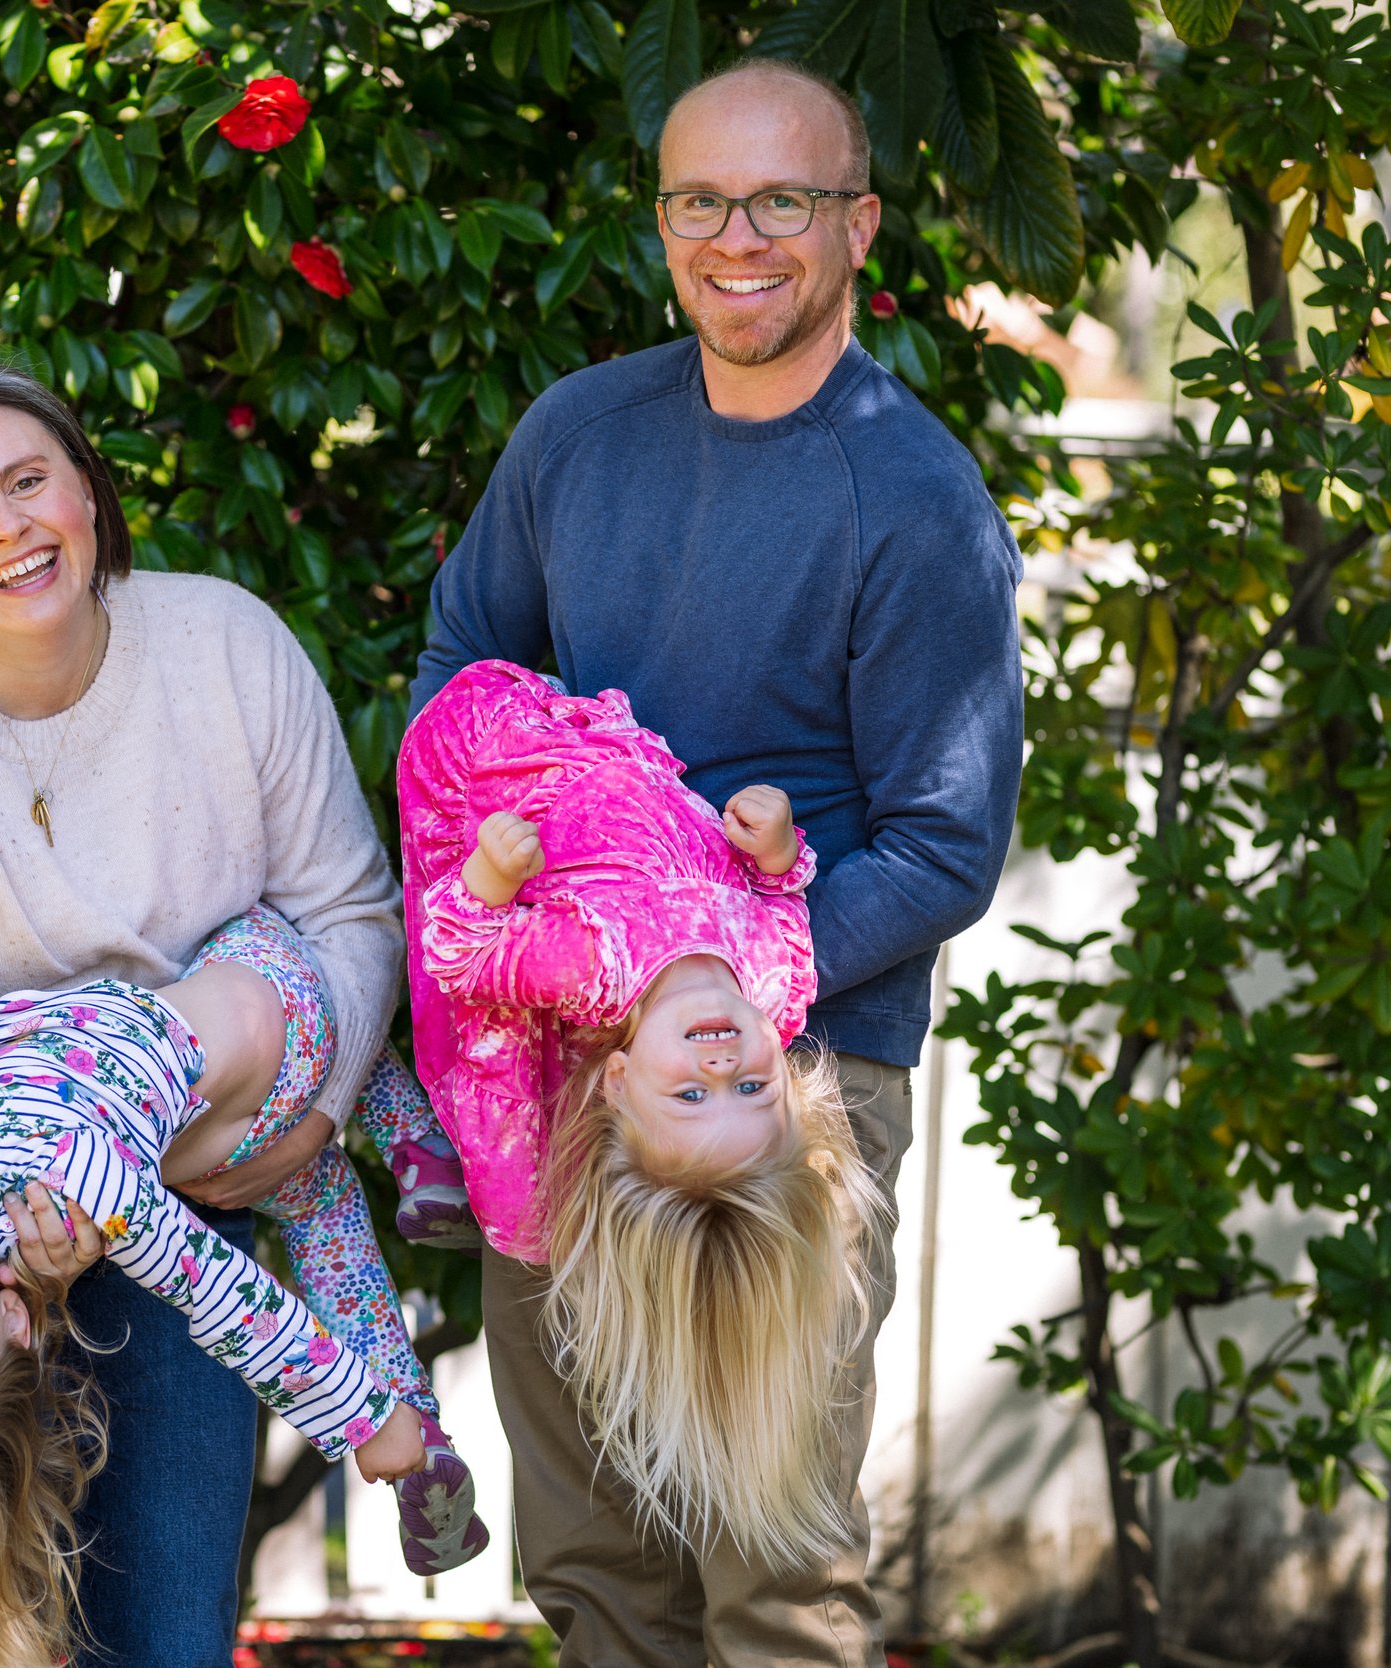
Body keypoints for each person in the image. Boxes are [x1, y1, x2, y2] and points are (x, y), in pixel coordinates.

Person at [408, 58, 1026, 1668]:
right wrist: (523, 911)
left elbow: (947, 845)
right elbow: (463, 674)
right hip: (562, 1065)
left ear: (859, 224)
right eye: (701, 200)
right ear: (663, 220)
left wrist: (733, 976)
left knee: (772, 1565)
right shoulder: (577, 436)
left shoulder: (913, 499)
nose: (737, 236)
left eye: (783, 200)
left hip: (794, 1081)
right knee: (597, 1558)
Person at [0, 362, 441, 1666]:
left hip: (205, 1152)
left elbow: (352, 915)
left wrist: (309, 1117)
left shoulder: (224, 650)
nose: (10, 527)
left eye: (30, 481)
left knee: (156, 1624)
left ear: (87, 490)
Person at [0, 910, 486, 1668]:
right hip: (275, 1026)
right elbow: (226, 1295)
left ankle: (405, 1130)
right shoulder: (72, 1180)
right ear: (12, 1318)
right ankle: (411, 1412)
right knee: (315, 1173)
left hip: (172, 1075)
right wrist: (362, 1421)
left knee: (319, 1194)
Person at [398, 658, 888, 1574]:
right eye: (753, 1090)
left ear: (618, 1081)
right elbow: (782, 907)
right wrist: (782, 857)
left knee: (496, 1110)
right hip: (626, 759)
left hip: (494, 760)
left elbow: (458, 955)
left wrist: (492, 879)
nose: (724, 1064)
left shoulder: (591, 967)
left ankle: (444, 1148)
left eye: (690, 1095)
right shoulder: (776, 990)